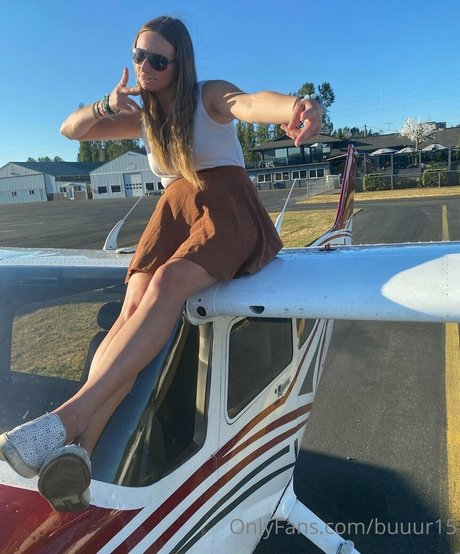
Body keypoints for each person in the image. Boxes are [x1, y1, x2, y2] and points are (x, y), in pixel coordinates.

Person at [0, 15, 322, 512]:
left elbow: (250, 102)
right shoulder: (144, 117)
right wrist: (106, 105)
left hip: (224, 205)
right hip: (174, 208)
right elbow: (69, 130)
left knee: (169, 283)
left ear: (180, 63)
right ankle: (80, 451)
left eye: (157, 59)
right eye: (138, 56)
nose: (145, 67)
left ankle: (69, 417)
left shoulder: (207, 96)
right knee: (131, 311)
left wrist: (296, 106)